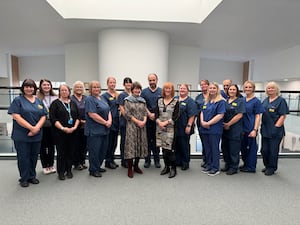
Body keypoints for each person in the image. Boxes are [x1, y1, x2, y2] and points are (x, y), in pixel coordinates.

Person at [8, 79, 47, 187]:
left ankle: (32, 176)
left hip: (36, 134)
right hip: (22, 135)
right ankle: (24, 178)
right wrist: (31, 128)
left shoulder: (39, 101)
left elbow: (44, 115)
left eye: (31, 87)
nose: (29, 89)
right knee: (23, 157)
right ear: (23, 88)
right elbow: (16, 116)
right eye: (26, 86)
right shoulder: (18, 100)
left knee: (34, 156)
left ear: (34, 88)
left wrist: (36, 128)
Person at [49, 84, 80, 180]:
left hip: (73, 132)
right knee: (61, 152)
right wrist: (63, 128)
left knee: (71, 151)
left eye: (66, 90)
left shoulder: (73, 103)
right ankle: (61, 172)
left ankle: (69, 170)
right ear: (59, 92)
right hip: (60, 133)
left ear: (69, 92)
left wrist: (74, 127)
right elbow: (53, 119)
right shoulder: (55, 103)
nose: (64, 92)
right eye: (62, 90)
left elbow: (78, 117)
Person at [261, 81, 289, 176]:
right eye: (269, 88)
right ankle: (267, 165)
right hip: (265, 129)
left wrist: (276, 127)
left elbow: (283, 116)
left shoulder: (281, 101)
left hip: (275, 130)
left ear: (276, 89)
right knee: (264, 150)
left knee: (273, 150)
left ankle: (272, 167)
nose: (270, 89)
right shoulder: (265, 100)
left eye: (272, 88)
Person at [85, 81, 112, 178]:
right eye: (94, 87)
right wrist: (105, 122)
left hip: (104, 130)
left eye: (98, 87)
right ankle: (93, 169)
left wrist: (109, 120)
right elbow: (92, 114)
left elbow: (108, 110)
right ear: (90, 89)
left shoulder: (102, 98)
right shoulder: (89, 99)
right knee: (94, 151)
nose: (96, 89)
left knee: (103, 150)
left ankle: (98, 166)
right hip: (94, 130)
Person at [200, 82, 226, 176]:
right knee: (207, 148)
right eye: (210, 88)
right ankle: (209, 165)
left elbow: (220, 115)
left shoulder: (221, 101)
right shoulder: (206, 101)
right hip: (204, 128)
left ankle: (215, 167)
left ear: (217, 89)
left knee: (214, 148)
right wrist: (202, 122)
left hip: (214, 129)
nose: (212, 90)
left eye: (214, 88)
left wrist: (208, 123)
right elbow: (202, 112)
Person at [124, 81, 148, 178]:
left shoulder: (143, 100)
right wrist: (138, 122)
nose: (137, 90)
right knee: (131, 146)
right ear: (132, 89)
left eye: (139, 89)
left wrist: (144, 121)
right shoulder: (127, 100)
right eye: (135, 88)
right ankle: (130, 168)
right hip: (132, 127)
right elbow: (127, 114)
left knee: (140, 145)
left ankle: (136, 166)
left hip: (142, 126)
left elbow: (145, 112)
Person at [156, 82, 180, 178]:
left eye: (169, 88)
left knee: (170, 150)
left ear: (172, 90)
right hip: (160, 128)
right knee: (163, 149)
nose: (167, 90)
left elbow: (176, 116)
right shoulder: (159, 101)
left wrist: (165, 123)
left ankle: (173, 168)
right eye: (166, 88)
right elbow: (156, 113)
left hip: (170, 130)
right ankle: (166, 167)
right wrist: (159, 123)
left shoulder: (175, 101)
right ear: (163, 90)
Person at [240, 80, 265, 173]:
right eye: (246, 87)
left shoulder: (256, 101)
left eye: (250, 87)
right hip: (242, 128)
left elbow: (258, 116)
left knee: (251, 148)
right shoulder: (242, 100)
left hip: (251, 128)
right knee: (243, 148)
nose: (248, 89)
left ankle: (251, 167)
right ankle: (246, 164)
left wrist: (255, 129)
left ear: (253, 89)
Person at [221, 84, 245, 175]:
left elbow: (240, 115)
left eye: (233, 89)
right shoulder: (225, 101)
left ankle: (234, 167)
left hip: (235, 129)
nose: (231, 91)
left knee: (233, 149)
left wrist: (229, 124)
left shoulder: (240, 101)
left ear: (237, 91)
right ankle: (227, 164)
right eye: (230, 89)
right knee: (225, 148)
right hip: (225, 129)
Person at [141, 73, 162, 168]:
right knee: (147, 140)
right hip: (147, 119)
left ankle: (157, 160)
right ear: (148, 81)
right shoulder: (144, 92)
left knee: (157, 140)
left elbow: (163, 105)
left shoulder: (161, 91)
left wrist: (155, 114)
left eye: (153, 80)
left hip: (158, 120)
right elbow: (142, 105)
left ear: (157, 80)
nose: (152, 82)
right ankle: (147, 160)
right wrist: (149, 114)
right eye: (150, 80)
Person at [37, 79, 58, 175]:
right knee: (42, 146)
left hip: (53, 125)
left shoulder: (55, 97)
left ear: (51, 86)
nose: (46, 86)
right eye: (44, 85)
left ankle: (51, 164)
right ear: (41, 86)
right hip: (42, 125)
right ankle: (45, 165)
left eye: (48, 85)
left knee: (51, 146)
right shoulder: (37, 98)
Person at [175, 83, 197, 170]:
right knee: (177, 145)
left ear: (187, 90)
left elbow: (192, 115)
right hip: (176, 127)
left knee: (184, 145)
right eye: (181, 88)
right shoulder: (175, 99)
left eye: (184, 88)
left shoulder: (190, 101)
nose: (182, 90)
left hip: (185, 126)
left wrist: (189, 125)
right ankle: (178, 161)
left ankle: (185, 162)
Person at [101, 77, 120, 169]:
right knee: (109, 142)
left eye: (114, 82)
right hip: (109, 121)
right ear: (107, 84)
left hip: (117, 121)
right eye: (111, 82)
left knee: (115, 142)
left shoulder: (117, 95)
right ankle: (108, 161)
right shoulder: (104, 96)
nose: (112, 84)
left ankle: (112, 159)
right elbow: (106, 109)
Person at [71, 81, 88, 170]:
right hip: (75, 125)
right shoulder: (71, 99)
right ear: (74, 89)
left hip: (86, 125)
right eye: (77, 87)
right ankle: (76, 163)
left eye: (80, 87)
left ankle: (82, 161)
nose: (79, 89)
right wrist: (80, 121)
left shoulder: (86, 98)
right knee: (76, 144)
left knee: (84, 144)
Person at [116, 77, 132, 168]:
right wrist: (128, 118)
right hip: (125, 121)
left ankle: (129, 159)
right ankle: (123, 160)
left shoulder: (133, 94)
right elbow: (121, 108)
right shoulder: (122, 95)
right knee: (124, 141)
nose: (128, 84)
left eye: (130, 83)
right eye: (126, 83)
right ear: (124, 84)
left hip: (132, 122)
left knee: (130, 142)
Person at [195, 79, 210, 168]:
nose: (203, 86)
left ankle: (211, 160)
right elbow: (196, 110)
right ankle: (205, 159)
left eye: (205, 84)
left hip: (212, 122)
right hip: (200, 122)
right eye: (201, 85)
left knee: (211, 142)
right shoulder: (198, 97)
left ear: (208, 85)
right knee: (204, 142)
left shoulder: (213, 96)